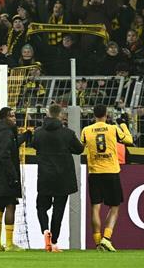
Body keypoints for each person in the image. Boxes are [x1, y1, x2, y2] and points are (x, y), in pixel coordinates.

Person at [80, 104, 133, 252]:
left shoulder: (86, 130)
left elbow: (80, 147)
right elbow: (129, 140)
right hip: (111, 171)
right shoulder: (113, 129)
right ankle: (106, 238)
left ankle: (97, 243)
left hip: (94, 172)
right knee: (114, 206)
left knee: (95, 207)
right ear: (106, 114)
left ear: (94, 115)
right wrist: (123, 124)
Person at [32, 104, 84, 252]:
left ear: (48, 114)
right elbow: (79, 149)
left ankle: (45, 231)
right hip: (63, 177)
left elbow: (34, 145)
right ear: (61, 115)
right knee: (58, 210)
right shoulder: (68, 133)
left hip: (45, 176)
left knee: (41, 207)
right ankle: (54, 242)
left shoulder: (39, 133)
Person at [0, 106, 23, 252]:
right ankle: (9, 244)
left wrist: (22, 138)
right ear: (4, 118)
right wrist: (13, 176)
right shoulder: (7, 133)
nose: (14, 119)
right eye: (11, 116)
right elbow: (4, 155)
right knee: (10, 205)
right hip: (5, 176)